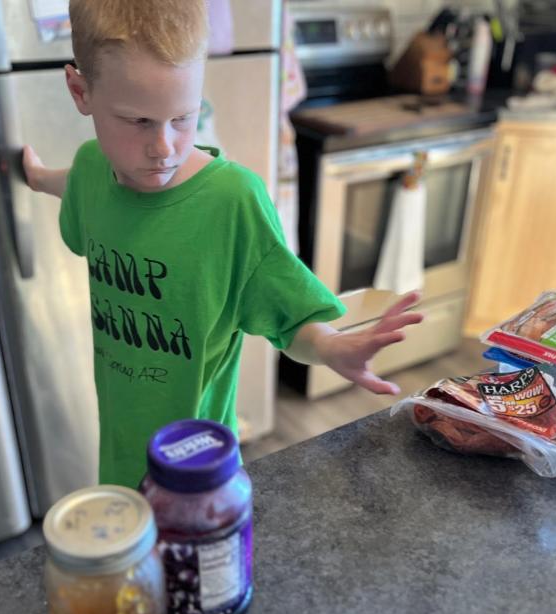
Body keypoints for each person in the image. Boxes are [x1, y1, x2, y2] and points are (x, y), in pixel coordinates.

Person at [22, 0, 423, 487]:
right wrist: (38, 177)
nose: (164, 146)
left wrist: (332, 347)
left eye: (184, 118)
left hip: (199, 461)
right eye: (139, 122)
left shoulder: (232, 202)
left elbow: (289, 319)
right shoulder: (91, 168)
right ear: (80, 91)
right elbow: (82, 185)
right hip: (121, 445)